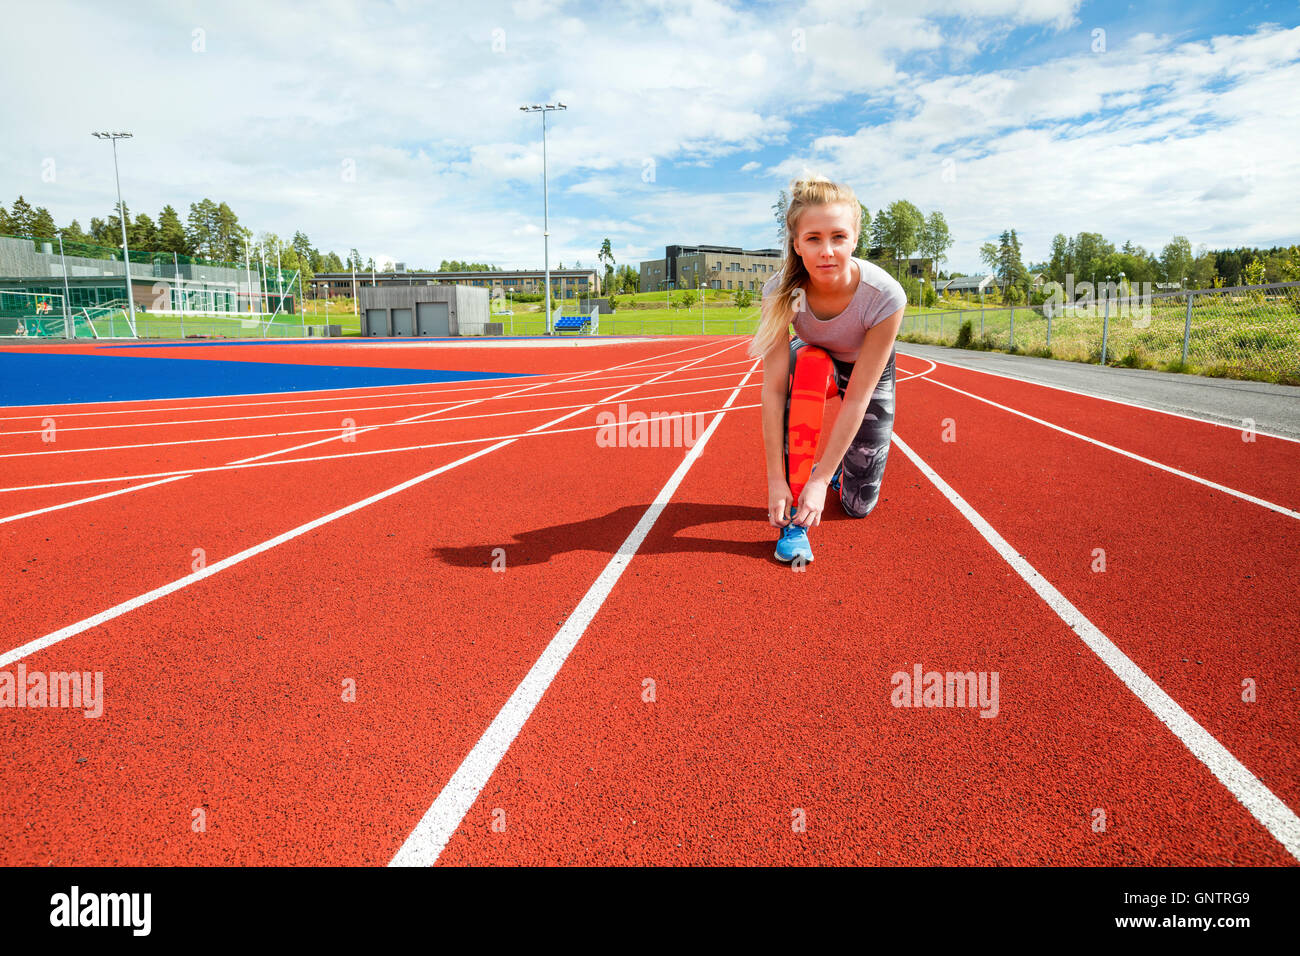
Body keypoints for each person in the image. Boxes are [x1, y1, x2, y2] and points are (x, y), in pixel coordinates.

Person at [751, 174, 906, 563]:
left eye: (838, 237)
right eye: (814, 238)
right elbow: (772, 391)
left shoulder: (885, 296)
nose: (827, 251)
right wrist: (776, 480)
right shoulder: (782, 292)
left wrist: (821, 479)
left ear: (855, 238)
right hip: (814, 360)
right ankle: (795, 526)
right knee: (809, 365)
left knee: (857, 506)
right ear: (797, 244)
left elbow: (857, 397)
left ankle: (832, 472)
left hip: (863, 370)